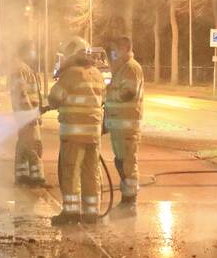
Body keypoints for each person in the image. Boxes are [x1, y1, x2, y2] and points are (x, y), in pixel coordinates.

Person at [47, 37, 106, 225]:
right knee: (91, 172)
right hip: (93, 134)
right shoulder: (96, 74)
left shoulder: (71, 74)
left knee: (71, 171)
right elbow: (102, 99)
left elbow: (54, 98)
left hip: (74, 133)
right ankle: (91, 212)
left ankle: (71, 213)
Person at [104, 36, 144, 215]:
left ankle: (130, 201)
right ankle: (126, 199)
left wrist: (110, 94)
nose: (114, 53)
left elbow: (128, 93)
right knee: (121, 162)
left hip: (127, 126)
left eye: (116, 50)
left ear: (125, 48)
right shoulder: (122, 68)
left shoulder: (131, 68)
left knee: (127, 163)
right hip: (119, 125)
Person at [10, 41, 44, 186]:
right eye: (32, 50)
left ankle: (22, 175)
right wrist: (31, 114)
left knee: (24, 143)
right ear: (24, 52)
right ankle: (37, 177)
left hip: (26, 113)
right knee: (34, 143)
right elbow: (22, 94)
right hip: (27, 113)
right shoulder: (21, 69)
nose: (34, 54)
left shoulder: (25, 69)